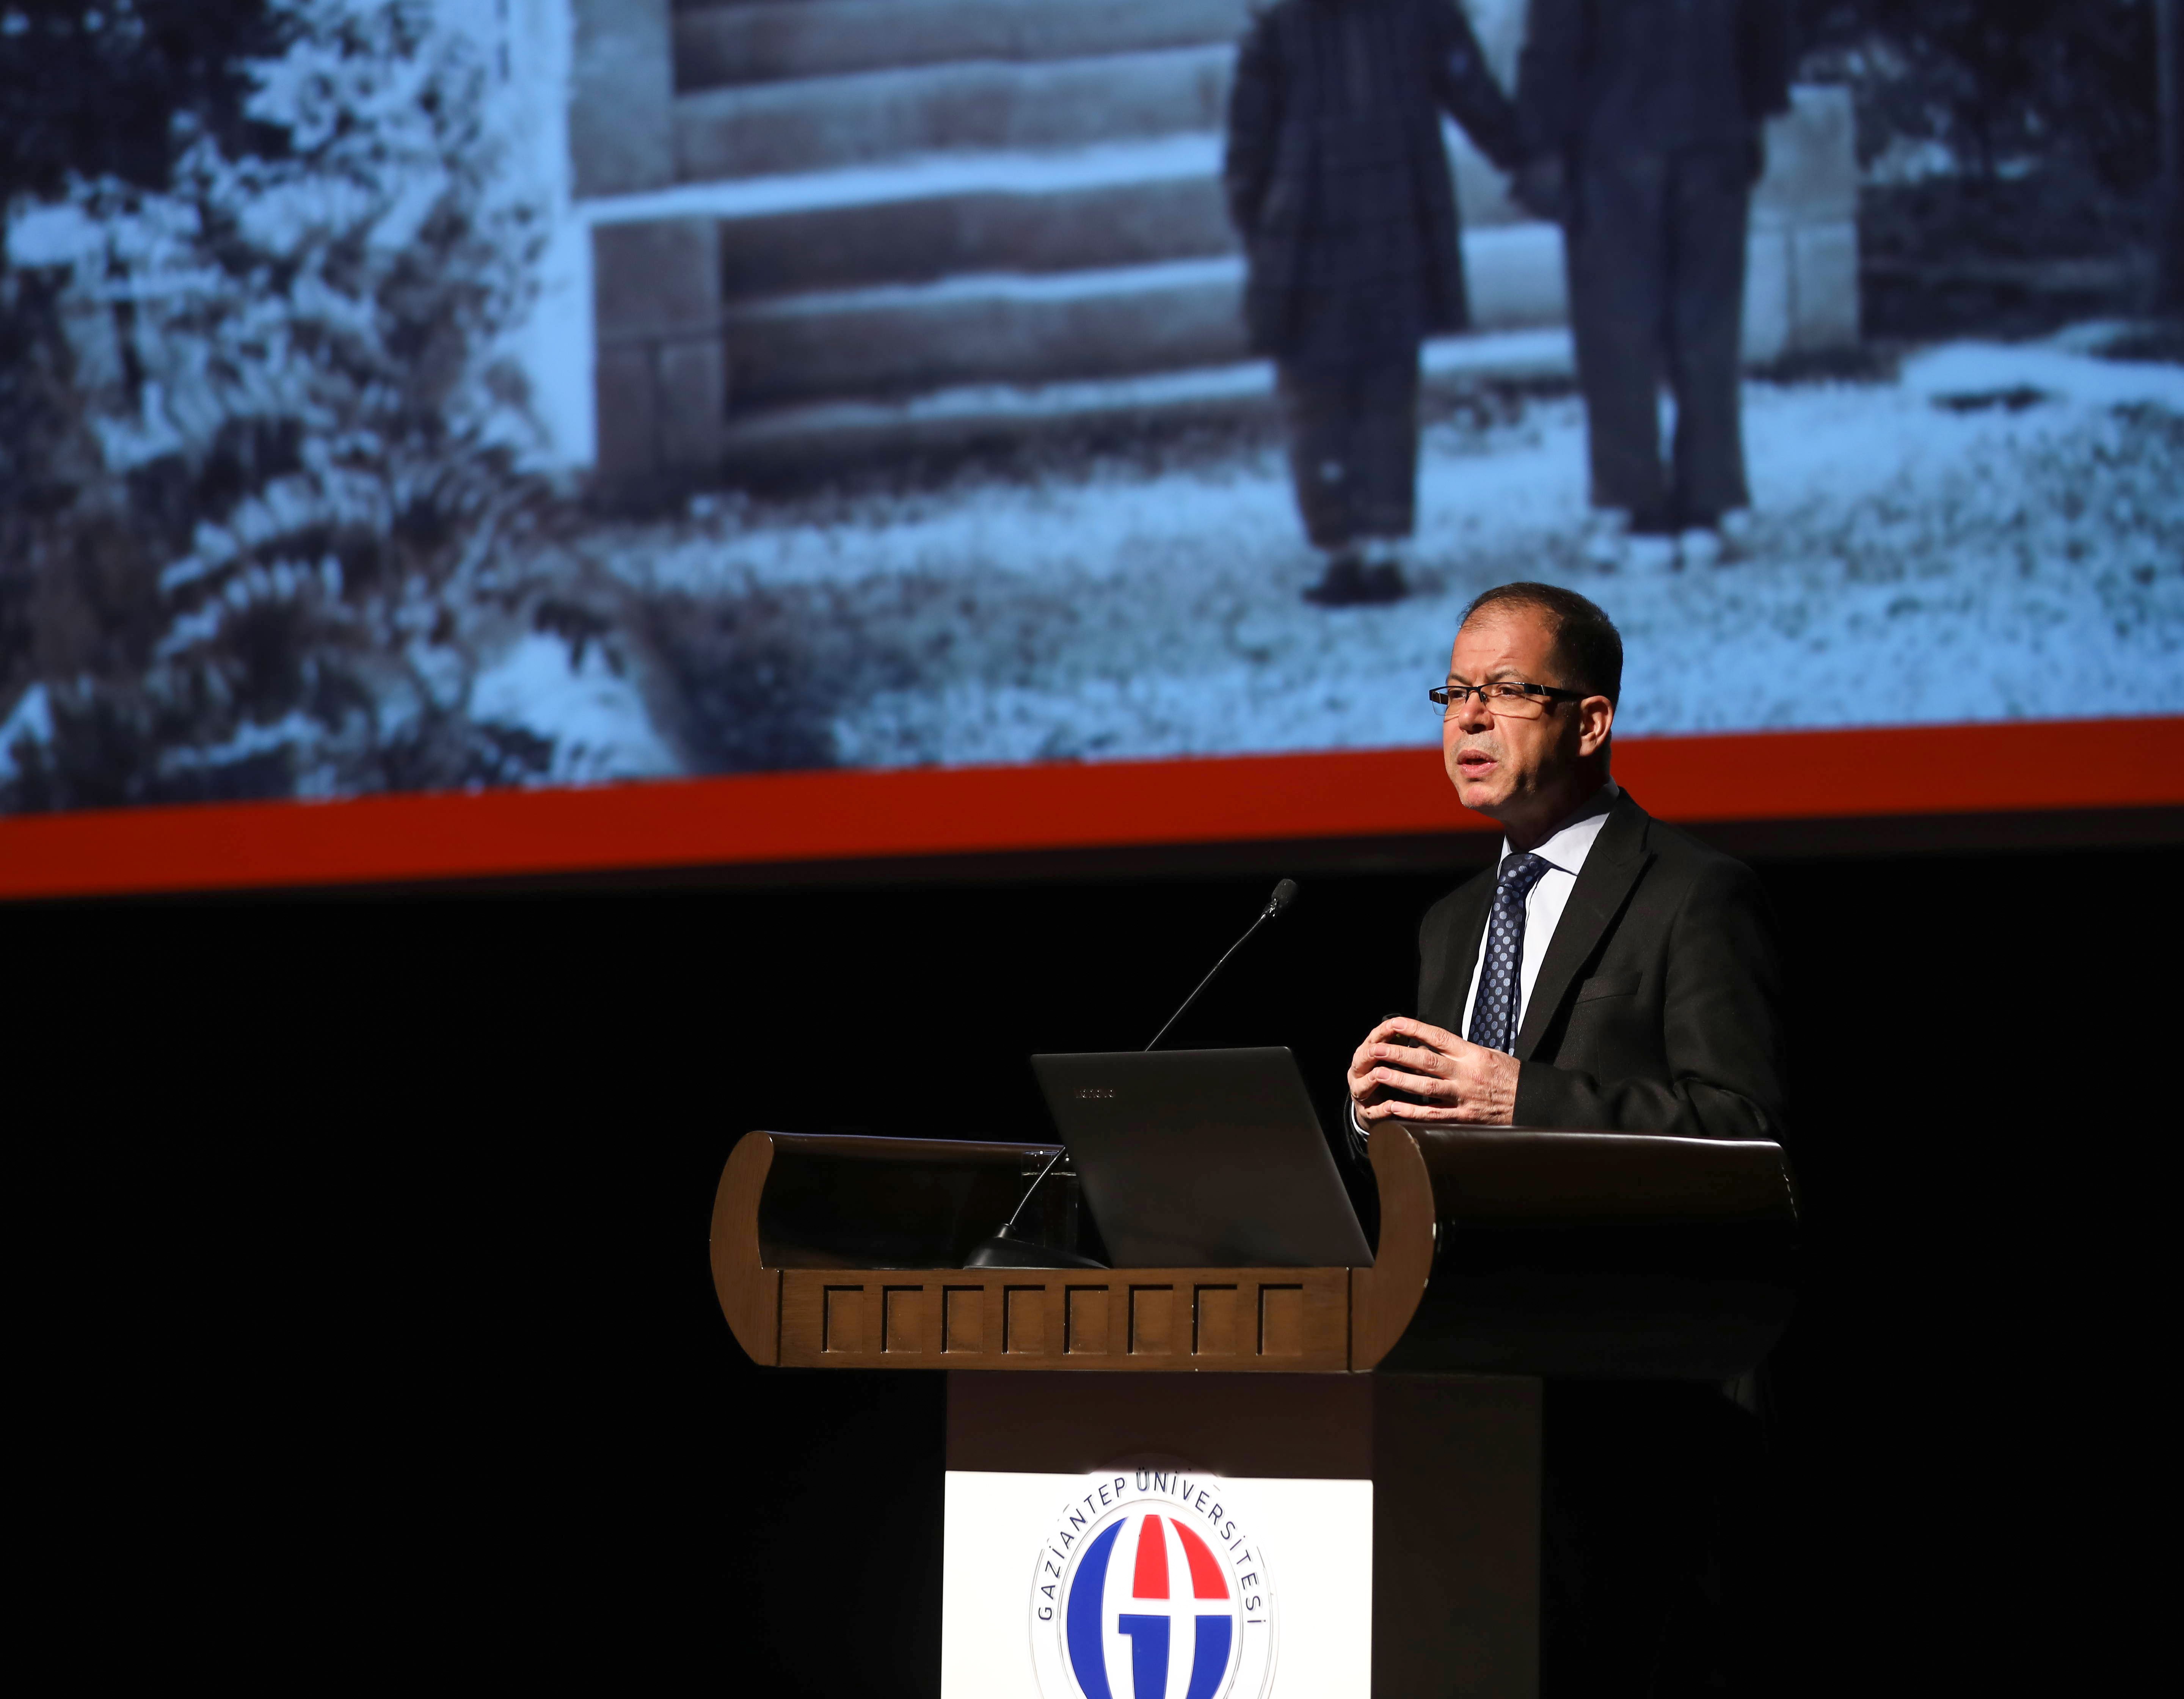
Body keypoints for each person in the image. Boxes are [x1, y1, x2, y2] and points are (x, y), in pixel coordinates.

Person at [1345, 579, 1786, 1691]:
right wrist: (1383, 1127)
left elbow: (1744, 1136)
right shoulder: (1452, 924)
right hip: (1471, 1397)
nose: (1467, 721)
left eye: (1504, 692)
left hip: (1642, 1415)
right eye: (1453, 693)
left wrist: (1520, 1098)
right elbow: (1460, 1161)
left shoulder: (1694, 896)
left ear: (1590, 721)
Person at [1224, 0, 1528, 607]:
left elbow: (1248, 147)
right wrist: (1528, 151)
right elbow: (1474, 97)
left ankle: (1340, 545)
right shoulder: (1418, 17)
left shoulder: (1281, 28)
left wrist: (1259, 223)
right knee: (1386, 390)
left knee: (1317, 397)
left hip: (1306, 231)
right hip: (1395, 221)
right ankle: (1384, 541)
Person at [1510, 0, 1792, 570]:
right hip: (1713, 125)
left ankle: (1637, 502)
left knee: (1618, 332)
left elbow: (1556, 38)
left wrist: (1539, 141)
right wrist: (1756, 108)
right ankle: (1708, 499)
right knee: (1707, 328)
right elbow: (1767, 21)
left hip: (1610, 136)